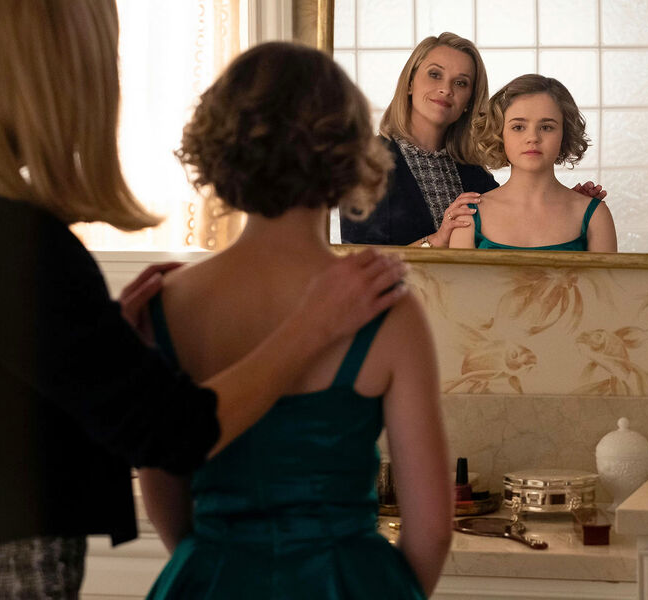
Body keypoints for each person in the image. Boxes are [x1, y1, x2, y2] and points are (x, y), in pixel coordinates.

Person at [0, 1, 405, 597]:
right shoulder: (8, 243)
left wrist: (97, 349)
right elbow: (172, 433)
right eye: (97, 67)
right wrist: (314, 323)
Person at [140, 42, 453, 599]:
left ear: (219, 150)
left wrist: (217, 567)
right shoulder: (386, 307)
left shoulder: (165, 305)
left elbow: (165, 496)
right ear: (350, 156)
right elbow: (431, 530)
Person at [339, 32, 605, 248]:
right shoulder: (363, 164)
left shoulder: (473, 173)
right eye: (435, 74)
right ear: (409, 83)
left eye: (461, 83)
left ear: (470, 100)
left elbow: (514, 214)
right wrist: (435, 242)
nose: (446, 89)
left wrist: (562, 207)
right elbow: (356, 265)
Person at [449, 74, 617, 252]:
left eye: (546, 127)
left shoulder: (595, 216)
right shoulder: (469, 216)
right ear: (499, 133)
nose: (533, 138)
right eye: (518, 127)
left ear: (565, 134)